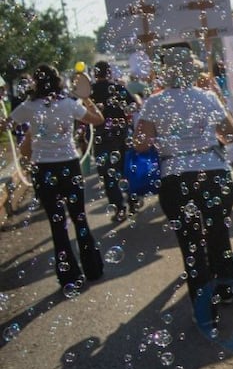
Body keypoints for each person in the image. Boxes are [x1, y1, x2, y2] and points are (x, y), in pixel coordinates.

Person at [134, 47, 233, 328]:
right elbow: (230, 134)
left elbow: (140, 144)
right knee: (218, 233)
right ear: (192, 70)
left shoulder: (154, 102)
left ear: (164, 72)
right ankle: (226, 288)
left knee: (191, 245)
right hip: (214, 172)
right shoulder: (207, 97)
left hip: (175, 176)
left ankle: (205, 311)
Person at [8, 64, 105, 289]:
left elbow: (6, 125)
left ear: (35, 83)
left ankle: (68, 276)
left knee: (57, 223)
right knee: (79, 217)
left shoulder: (28, 106)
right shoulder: (68, 104)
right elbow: (98, 119)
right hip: (69, 165)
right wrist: (86, 98)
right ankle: (93, 269)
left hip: (43, 169)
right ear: (57, 81)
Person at [90, 60, 140, 221]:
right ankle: (133, 201)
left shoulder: (90, 92)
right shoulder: (118, 88)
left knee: (108, 175)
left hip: (102, 137)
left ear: (95, 74)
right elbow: (134, 106)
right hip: (122, 134)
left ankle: (119, 208)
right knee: (126, 169)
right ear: (109, 73)